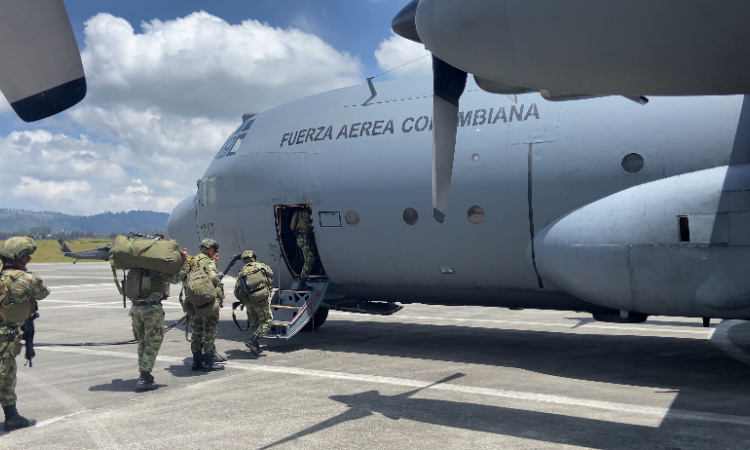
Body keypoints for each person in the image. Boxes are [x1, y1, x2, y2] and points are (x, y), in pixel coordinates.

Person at [0, 237, 49, 431]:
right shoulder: (27, 279)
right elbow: (43, 292)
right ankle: (11, 417)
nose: (28, 259)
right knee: (6, 374)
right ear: (17, 257)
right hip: (7, 334)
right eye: (26, 256)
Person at [125, 259, 185, 392]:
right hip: (151, 310)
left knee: (142, 342)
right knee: (153, 342)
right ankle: (144, 377)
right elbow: (175, 279)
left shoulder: (135, 267)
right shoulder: (156, 267)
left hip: (136, 309)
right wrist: (184, 263)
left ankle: (144, 373)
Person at [185, 239, 224, 371]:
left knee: (196, 331)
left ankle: (196, 362)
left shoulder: (192, 262)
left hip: (193, 302)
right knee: (209, 330)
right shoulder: (208, 262)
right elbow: (213, 278)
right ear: (210, 249)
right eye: (214, 249)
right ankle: (209, 362)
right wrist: (220, 289)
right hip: (207, 303)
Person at [234, 250, 273, 356]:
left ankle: (255, 347)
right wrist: (268, 290)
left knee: (254, 324)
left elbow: (237, 292)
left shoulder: (241, 272)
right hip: (260, 300)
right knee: (267, 321)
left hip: (249, 302)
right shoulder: (261, 266)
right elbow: (270, 275)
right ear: (253, 258)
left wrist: (245, 300)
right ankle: (254, 341)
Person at [290, 207, 315, 289]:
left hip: (299, 238)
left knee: (307, 258)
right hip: (305, 238)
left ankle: (303, 278)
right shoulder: (307, 213)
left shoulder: (298, 213)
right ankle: (302, 283)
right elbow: (309, 226)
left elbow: (292, 227)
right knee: (309, 259)